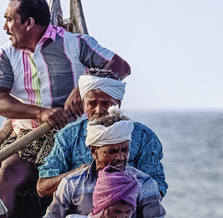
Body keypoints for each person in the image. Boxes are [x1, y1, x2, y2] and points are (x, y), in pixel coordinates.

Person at [0, 0, 131, 218]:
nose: (5, 26)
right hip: (26, 137)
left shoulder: (74, 44)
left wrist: (85, 85)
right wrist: (41, 113)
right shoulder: (5, 54)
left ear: (29, 23)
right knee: (7, 173)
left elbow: (121, 66)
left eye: (9, 19)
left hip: (75, 135)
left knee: (80, 180)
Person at [39, 113, 171, 218]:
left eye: (125, 150)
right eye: (112, 152)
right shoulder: (71, 184)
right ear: (93, 152)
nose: (121, 157)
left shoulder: (145, 184)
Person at [36, 72, 167, 199]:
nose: (98, 110)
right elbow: (43, 187)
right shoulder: (68, 135)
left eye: (106, 103)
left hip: (128, 216)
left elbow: (157, 188)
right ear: (84, 105)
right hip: (78, 217)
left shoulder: (144, 137)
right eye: (92, 104)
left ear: (118, 104)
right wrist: (80, 174)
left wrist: (120, 191)